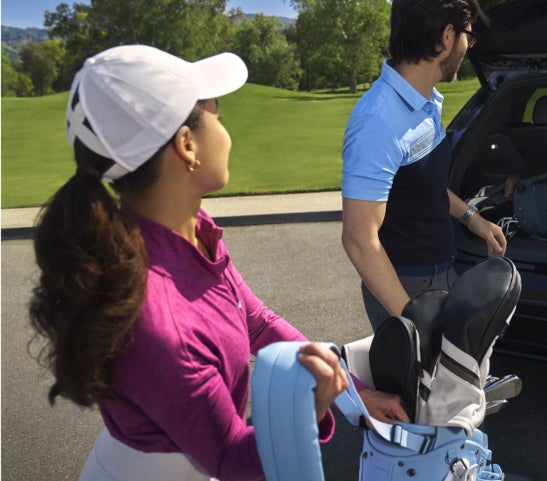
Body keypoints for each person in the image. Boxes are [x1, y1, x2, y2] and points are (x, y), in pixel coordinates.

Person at [28, 44, 407, 481]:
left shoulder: (192, 229)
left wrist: (353, 394)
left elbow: (256, 323)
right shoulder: (162, 323)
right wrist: (307, 410)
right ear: (186, 145)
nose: (227, 133)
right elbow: (231, 459)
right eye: (218, 116)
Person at [341, 0, 507, 330]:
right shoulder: (377, 120)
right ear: (447, 36)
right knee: (424, 367)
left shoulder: (426, 101)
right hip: (405, 289)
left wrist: (473, 218)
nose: (468, 46)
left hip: (442, 274)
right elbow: (359, 239)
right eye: (468, 36)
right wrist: (413, 322)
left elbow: (425, 185)